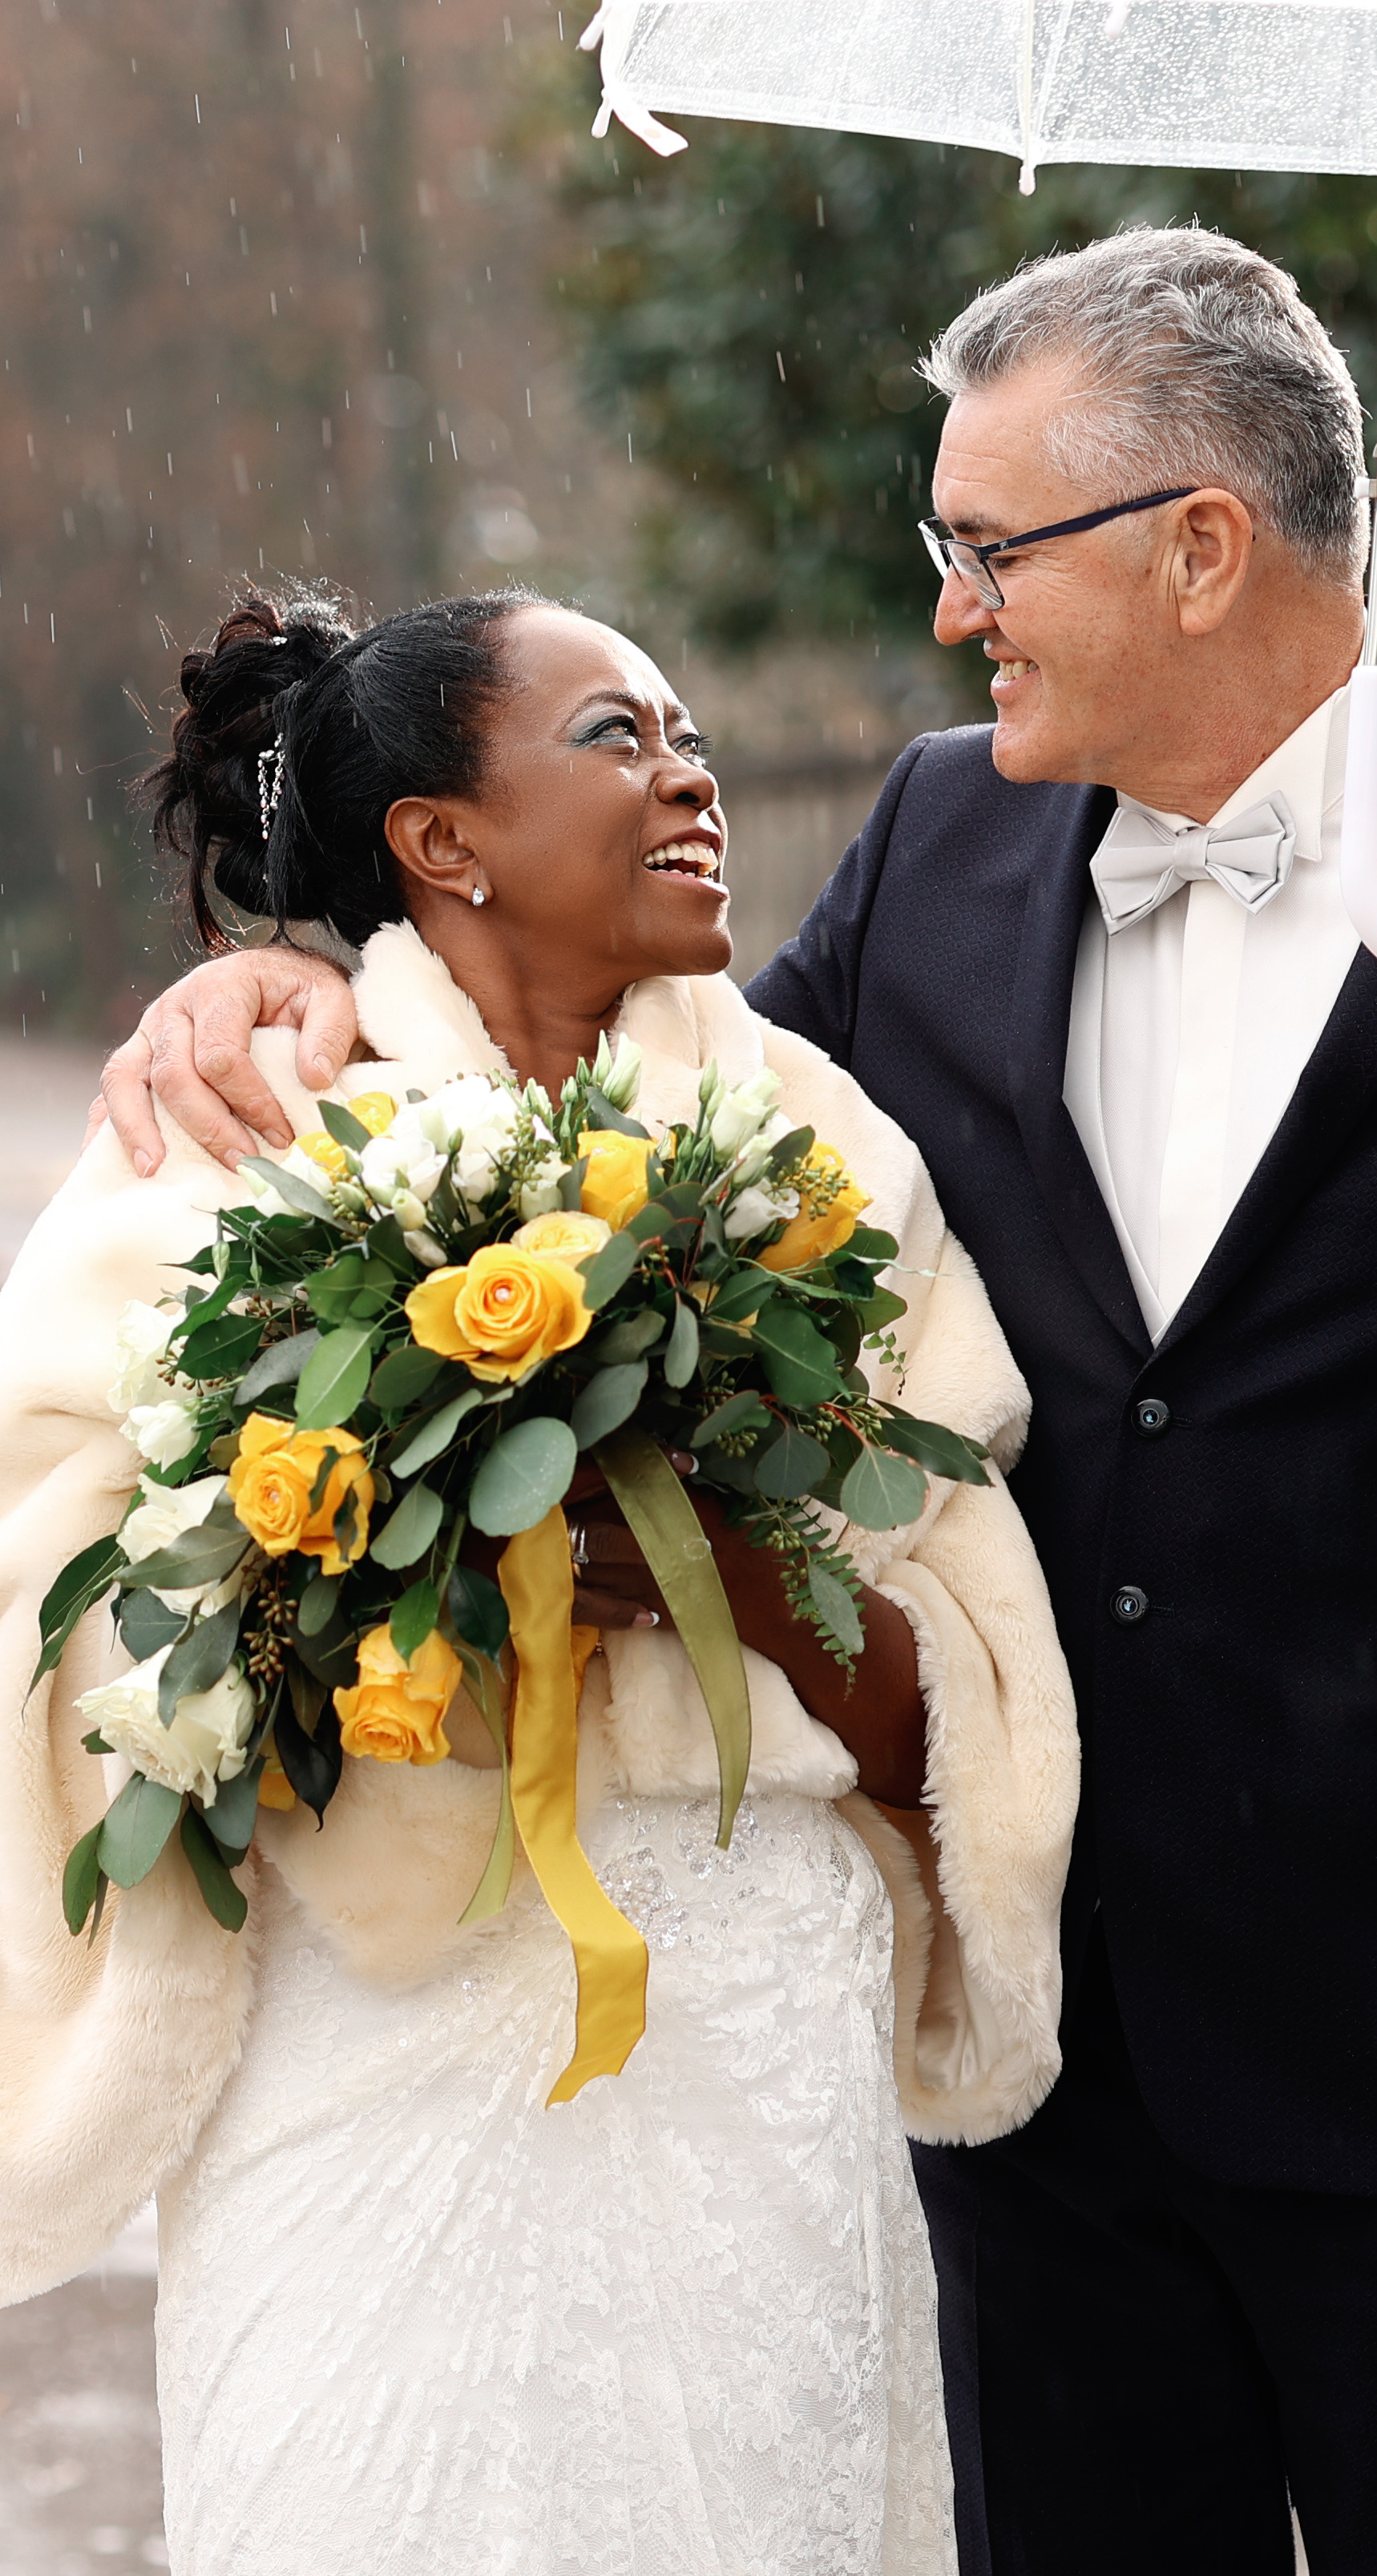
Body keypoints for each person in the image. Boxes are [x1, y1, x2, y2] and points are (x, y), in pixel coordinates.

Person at [103, 228, 1377, 2576]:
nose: (952, 609)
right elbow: (654, 1124)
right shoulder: (941, 833)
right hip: (1060, 2050)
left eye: (989, 548)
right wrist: (299, 989)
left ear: (1200, 545)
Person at [0, 587, 1078, 2576]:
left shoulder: (828, 1160)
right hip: (361, 2045)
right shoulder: (232, 1137)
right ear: (442, 837)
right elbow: (56, 1614)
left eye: (690, 733)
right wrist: (341, 1553)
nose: (689, 776)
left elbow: (960, 1684)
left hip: (753, 2035)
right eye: (616, 735)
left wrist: (721, 1564)